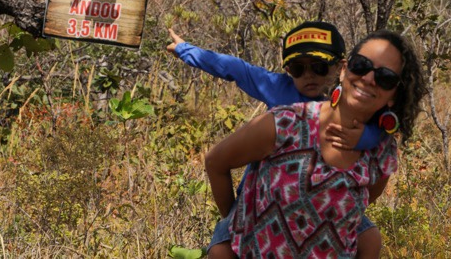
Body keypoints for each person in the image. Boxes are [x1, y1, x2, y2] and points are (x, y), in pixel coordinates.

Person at [166, 21, 385, 257]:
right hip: (264, 199)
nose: (308, 75)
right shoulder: (280, 89)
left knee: (370, 239)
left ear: (341, 67)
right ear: (288, 71)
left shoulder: (354, 104)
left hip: (330, 200)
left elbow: (379, 148)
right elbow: (236, 68)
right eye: (297, 69)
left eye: (319, 66)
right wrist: (185, 50)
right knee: (221, 252)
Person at [204, 29, 426, 258]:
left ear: (394, 95)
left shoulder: (381, 150)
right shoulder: (284, 123)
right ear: (344, 70)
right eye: (361, 65)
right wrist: (234, 221)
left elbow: (363, 205)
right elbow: (215, 161)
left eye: (386, 77)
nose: (369, 79)